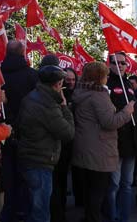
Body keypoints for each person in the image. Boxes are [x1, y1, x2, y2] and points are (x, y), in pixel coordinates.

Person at [71, 62, 134, 222]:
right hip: (99, 149)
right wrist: (126, 112)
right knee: (98, 191)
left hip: (85, 146)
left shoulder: (81, 91)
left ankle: (89, 217)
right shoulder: (98, 95)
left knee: (89, 189)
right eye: (105, 75)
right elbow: (110, 122)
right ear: (100, 77)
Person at [16, 65, 75, 222]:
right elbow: (68, 132)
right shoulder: (48, 104)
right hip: (40, 161)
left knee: (33, 207)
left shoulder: (33, 96)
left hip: (31, 157)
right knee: (40, 212)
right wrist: (64, 107)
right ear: (57, 84)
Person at [0, 40, 37, 222]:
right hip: (27, 132)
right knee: (25, 174)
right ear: (23, 53)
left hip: (3, 130)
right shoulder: (32, 76)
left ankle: (7, 210)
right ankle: (22, 211)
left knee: (7, 174)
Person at [105, 52, 137, 222]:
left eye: (123, 63)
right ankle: (112, 216)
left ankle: (124, 217)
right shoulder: (107, 85)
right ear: (109, 64)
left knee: (127, 184)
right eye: (115, 62)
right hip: (115, 142)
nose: (120, 65)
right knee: (114, 185)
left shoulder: (129, 84)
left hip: (131, 144)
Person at [51, 67, 77, 222]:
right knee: (58, 179)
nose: (71, 83)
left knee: (63, 178)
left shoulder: (78, 94)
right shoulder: (55, 98)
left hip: (70, 143)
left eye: (74, 80)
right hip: (59, 142)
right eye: (67, 80)